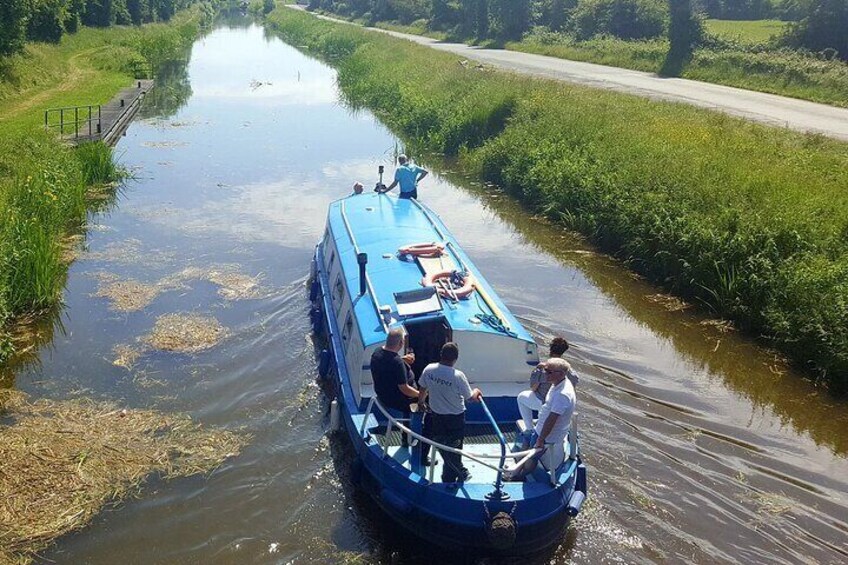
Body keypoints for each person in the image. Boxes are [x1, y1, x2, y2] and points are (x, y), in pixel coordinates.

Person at [418, 342, 482, 484]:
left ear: (441, 354)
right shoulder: (458, 376)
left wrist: (421, 402)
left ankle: (452, 472)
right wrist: (476, 391)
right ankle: (454, 475)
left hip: (436, 415)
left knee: (440, 441)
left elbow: (422, 388)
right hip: (455, 418)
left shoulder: (429, 369)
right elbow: (470, 398)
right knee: (455, 447)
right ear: (456, 358)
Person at [513, 357, 576, 482]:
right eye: (545, 370)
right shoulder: (558, 382)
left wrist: (541, 439)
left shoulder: (562, 394)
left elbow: (552, 419)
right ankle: (517, 468)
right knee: (527, 438)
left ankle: (520, 475)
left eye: (549, 372)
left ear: (561, 374)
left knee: (533, 457)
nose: (545, 374)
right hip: (539, 427)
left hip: (547, 434)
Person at [517, 337, 578, 434]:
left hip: (545, 404)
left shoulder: (543, 369)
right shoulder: (570, 372)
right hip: (561, 406)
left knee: (521, 397)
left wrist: (537, 373)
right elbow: (573, 386)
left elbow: (533, 388)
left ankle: (529, 429)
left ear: (550, 350)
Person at [371, 328, 419, 446]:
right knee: (422, 402)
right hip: (396, 399)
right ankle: (409, 438)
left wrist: (402, 359)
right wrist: (421, 394)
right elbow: (405, 389)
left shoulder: (376, 352)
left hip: (382, 393)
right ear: (401, 343)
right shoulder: (396, 363)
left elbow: (387, 360)